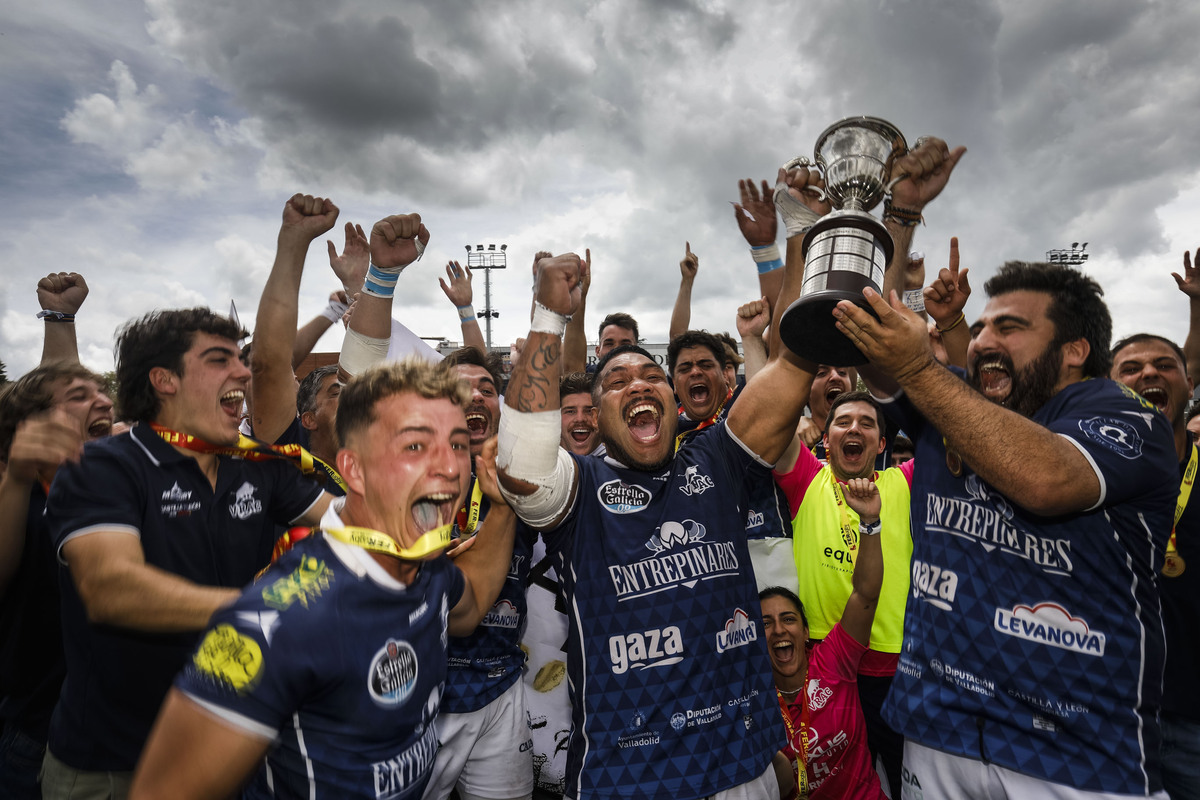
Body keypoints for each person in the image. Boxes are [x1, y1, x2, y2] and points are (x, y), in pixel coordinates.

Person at [835, 251, 1177, 796]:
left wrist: (919, 367)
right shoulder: (947, 396)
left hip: (1075, 754)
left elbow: (1046, 480)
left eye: (1009, 327)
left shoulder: (1126, 417)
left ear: (1074, 350)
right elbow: (867, 339)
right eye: (981, 327)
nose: (981, 341)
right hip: (937, 733)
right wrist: (897, 212)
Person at [496, 248, 820, 800]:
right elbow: (521, 470)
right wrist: (549, 316)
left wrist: (803, 240)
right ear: (595, 418)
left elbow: (795, 364)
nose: (640, 385)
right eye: (618, 381)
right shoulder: (581, 485)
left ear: (673, 399)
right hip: (633, 780)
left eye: (652, 376)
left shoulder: (718, 457)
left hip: (747, 766)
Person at [130, 358, 519, 799]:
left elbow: (472, 606)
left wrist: (502, 507)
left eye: (458, 445)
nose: (449, 468)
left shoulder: (426, 569)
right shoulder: (274, 623)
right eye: (415, 446)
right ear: (354, 469)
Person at [41, 307, 336, 796]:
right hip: (115, 766)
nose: (242, 371)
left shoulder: (258, 465)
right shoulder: (100, 466)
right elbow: (111, 588)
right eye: (220, 359)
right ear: (164, 380)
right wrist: (272, 608)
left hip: (235, 751)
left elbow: (352, 526)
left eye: (241, 359)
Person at [773, 391, 913, 798]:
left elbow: (949, 432)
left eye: (867, 423)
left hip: (892, 669)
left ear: (882, 444)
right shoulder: (806, 478)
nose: (854, 428)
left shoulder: (903, 481)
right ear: (826, 440)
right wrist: (759, 334)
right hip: (824, 667)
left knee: (907, 784)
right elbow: (773, 408)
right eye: (843, 421)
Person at [0, 363, 113, 799]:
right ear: (30, 427)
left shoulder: (118, 489)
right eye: (79, 396)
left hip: (130, 741)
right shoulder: (17, 497)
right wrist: (16, 477)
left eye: (102, 391)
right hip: (36, 738)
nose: (103, 400)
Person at [1112, 331, 1200, 800]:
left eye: (1164, 365)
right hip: (1108, 714)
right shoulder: (1081, 478)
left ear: (1190, 381)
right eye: (1130, 368)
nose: (1148, 373)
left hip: (1192, 723)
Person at [762, 476, 887, 800]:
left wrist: (871, 522)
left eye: (788, 619)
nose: (778, 630)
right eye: (766, 623)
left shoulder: (834, 659)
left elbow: (865, 595)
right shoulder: (751, 696)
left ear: (805, 632)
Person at [560, 372, 599, 456]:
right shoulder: (537, 461)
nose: (580, 419)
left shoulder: (619, 466)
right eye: (570, 411)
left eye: (589, 411)